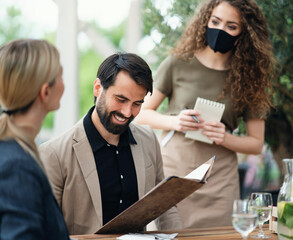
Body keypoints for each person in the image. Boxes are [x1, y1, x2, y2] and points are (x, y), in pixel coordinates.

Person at [135, 0, 275, 228]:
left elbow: (256, 144)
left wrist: (225, 137)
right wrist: (176, 121)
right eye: (215, 21)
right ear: (205, 21)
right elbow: (141, 114)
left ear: (244, 34)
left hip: (219, 180)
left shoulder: (251, 78)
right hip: (174, 172)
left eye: (231, 26)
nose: (220, 30)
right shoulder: (177, 63)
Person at [39, 53, 182, 235]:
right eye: (121, 100)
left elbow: (165, 204)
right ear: (98, 88)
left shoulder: (148, 139)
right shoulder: (54, 154)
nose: (127, 112)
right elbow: (47, 228)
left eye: (137, 103)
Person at [0, 39, 69, 239]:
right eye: (61, 75)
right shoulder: (16, 166)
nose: (64, 84)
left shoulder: (14, 152)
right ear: (45, 92)